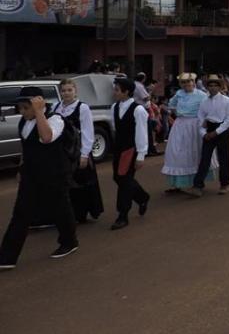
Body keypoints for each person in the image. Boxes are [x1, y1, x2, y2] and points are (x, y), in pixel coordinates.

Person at [0, 88, 79, 270]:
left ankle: (70, 241)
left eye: (26, 108)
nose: (22, 112)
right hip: (31, 175)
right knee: (21, 213)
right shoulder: (23, 122)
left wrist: (38, 112)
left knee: (60, 209)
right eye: (20, 108)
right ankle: (7, 257)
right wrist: (21, 167)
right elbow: (26, 147)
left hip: (53, 174)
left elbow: (46, 137)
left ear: (38, 103)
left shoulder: (55, 119)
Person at [56, 79, 104, 223]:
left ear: (75, 91)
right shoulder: (56, 107)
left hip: (78, 151)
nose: (66, 93)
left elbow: (88, 131)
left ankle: (81, 213)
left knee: (81, 183)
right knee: (66, 183)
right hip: (63, 152)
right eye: (64, 90)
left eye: (69, 90)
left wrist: (84, 154)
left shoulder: (82, 108)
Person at [108, 77, 151, 231]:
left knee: (124, 180)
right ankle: (142, 197)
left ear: (126, 91)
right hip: (119, 148)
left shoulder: (138, 109)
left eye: (117, 90)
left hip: (131, 149)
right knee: (118, 177)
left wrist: (141, 155)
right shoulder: (114, 107)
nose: (114, 92)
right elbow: (115, 128)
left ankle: (123, 215)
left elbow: (141, 133)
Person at [162, 73, 209, 192]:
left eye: (189, 81)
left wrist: (203, 123)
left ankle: (197, 183)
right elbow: (171, 105)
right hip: (180, 125)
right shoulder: (179, 94)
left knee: (193, 153)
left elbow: (206, 110)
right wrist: (176, 112)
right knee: (177, 153)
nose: (187, 84)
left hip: (194, 125)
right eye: (183, 82)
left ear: (194, 82)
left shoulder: (202, 95)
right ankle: (178, 184)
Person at [190, 76, 229, 195]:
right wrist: (204, 133)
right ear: (207, 87)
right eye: (210, 85)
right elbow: (200, 119)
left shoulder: (227, 101)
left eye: (215, 85)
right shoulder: (204, 102)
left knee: (224, 159)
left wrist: (216, 132)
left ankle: (225, 184)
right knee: (204, 158)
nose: (213, 88)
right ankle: (198, 185)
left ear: (220, 87)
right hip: (208, 130)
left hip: (221, 131)